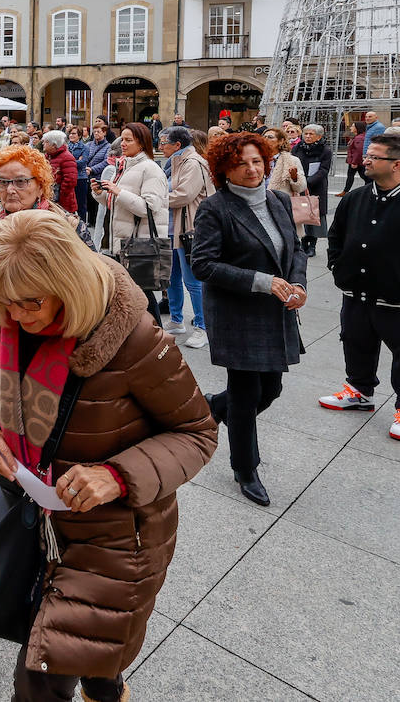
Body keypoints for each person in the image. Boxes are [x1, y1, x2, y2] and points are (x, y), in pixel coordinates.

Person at [0, 210, 215, 702]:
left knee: (38, 680)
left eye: (31, 303)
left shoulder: (133, 337)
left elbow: (198, 432)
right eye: (4, 302)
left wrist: (117, 476)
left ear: (68, 283)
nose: (17, 316)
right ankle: (106, 686)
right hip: (33, 519)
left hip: (114, 541)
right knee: (89, 655)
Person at [0, 145, 94, 492]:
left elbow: (96, 293)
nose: (10, 190)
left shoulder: (69, 229)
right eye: (2, 182)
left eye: (21, 181)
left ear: (41, 185)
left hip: (55, 362)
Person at [191, 133, 307, 506]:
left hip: (275, 310)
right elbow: (204, 265)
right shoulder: (215, 207)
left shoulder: (279, 200)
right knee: (246, 394)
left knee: (270, 389)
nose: (252, 169)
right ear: (225, 169)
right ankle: (245, 468)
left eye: (257, 161)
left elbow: (297, 249)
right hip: (236, 312)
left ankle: (214, 407)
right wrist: (262, 282)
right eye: (242, 164)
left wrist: (298, 285)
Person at [320, 133, 400, 442]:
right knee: (355, 340)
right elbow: (336, 235)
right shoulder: (355, 198)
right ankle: (359, 390)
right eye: (367, 155)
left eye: (373, 156)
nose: (365, 160)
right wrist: (338, 267)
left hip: (399, 299)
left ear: (396, 164)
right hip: (356, 292)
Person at [93, 122, 168, 319]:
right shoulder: (125, 166)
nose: (122, 144)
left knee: (143, 295)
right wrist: (100, 193)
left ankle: (157, 339)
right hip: (123, 242)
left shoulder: (150, 169)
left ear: (141, 143)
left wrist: (119, 191)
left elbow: (149, 208)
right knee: (133, 295)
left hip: (139, 244)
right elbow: (117, 205)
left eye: (128, 140)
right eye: (122, 139)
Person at [162, 126, 212, 349]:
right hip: (173, 227)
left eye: (164, 142)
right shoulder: (177, 161)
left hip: (189, 229)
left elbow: (184, 195)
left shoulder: (192, 162)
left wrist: (154, 199)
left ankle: (202, 326)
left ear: (177, 145)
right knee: (171, 278)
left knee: (193, 281)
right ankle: (176, 320)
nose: (160, 146)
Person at [291, 124, 333, 257]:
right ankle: (303, 243)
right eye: (306, 134)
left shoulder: (325, 150)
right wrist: (298, 181)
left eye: (311, 134)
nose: (308, 136)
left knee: (314, 215)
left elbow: (324, 170)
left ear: (319, 136)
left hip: (316, 186)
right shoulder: (298, 148)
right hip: (300, 185)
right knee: (301, 214)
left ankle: (312, 246)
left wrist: (308, 182)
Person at [41, 130, 79, 216]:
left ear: (54, 145)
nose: (43, 143)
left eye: (46, 142)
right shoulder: (47, 156)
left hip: (62, 201)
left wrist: (59, 196)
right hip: (49, 198)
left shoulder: (67, 157)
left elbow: (70, 181)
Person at [338, 121, 367, 196]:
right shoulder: (358, 136)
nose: (351, 127)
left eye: (353, 126)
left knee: (363, 176)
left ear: (357, 128)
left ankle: (346, 191)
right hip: (356, 161)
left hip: (356, 161)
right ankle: (345, 191)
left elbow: (358, 151)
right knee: (356, 176)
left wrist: (354, 162)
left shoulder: (359, 138)